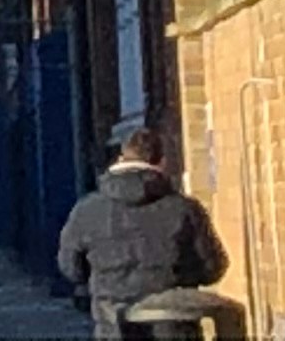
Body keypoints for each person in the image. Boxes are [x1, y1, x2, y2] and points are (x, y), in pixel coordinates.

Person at [56, 127, 228, 336]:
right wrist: (181, 276)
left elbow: (70, 268)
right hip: (174, 324)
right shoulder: (185, 209)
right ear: (161, 162)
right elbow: (213, 267)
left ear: (120, 159)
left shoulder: (86, 210)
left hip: (114, 325)